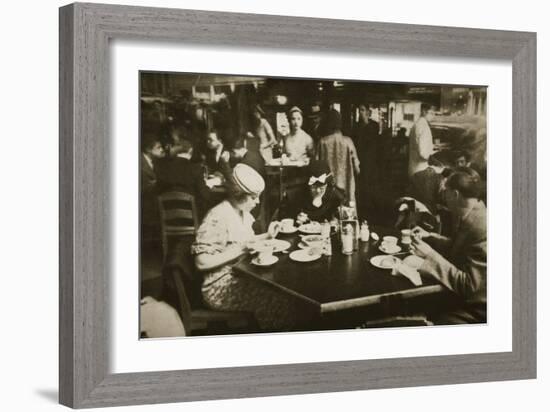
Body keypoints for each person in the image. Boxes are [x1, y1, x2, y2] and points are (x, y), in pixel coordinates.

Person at [192, 164, 314, 331]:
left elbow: (243, 241)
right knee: (277, 302)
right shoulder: (218, 217)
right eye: (254, 197)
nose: (257, 202)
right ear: (238, 194)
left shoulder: (240, 211)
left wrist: (267, 236)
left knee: (287, 295)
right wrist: (242, 249)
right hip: (219, 287)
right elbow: (201, 262)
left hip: (241, 276)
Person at [410, 167, 487, 324]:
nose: (443, 195)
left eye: (445, 191)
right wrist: (429, 237)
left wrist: (430, 255)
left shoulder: (481, 228)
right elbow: (460, 247)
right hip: (469, 299)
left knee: (419, 312)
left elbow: (469, 286)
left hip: (478, 309)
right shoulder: (474, 213)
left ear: (455, 194)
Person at [155, 139, 214, 215]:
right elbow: (205, 196)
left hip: (167, 218)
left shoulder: (162, 168)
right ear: (190, 151)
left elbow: (158, 193)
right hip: (193, 219)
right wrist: (208, 187)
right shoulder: (195, 169)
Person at [317, 109, 361, 204]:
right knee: (347, 216)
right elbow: (357, 169)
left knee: (328, 216)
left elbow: (317, 169)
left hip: (328, 190)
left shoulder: (322, 142)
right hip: (347, 189)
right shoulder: (348, 142)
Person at [281, 160, 345, 222]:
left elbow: (342, 219)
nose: (318, 191)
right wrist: (295, 219)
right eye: (313, 187)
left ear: (327, 185)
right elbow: (282, 218)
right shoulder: (294, 195)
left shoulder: (335, 196)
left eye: (322, 187)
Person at [353, 104, 380, 219]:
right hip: (360, 160)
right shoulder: (356, 126)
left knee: (370, 185)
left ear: (368, 112)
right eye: (359, 110)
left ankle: (371, 210)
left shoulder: (374, 126)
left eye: (363, 110)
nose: (360, 113)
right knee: (360, 185)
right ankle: (362, 209)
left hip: (371, 160)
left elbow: (374, 143)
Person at [408, 103, 436, 177]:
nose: (433, 116)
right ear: (424, 111)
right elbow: (423, 154)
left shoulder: (417, 124)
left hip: (415, 167)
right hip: (421, 169)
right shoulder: (423, 126)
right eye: (431, 113)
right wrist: (436, 153)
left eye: (434, 114)